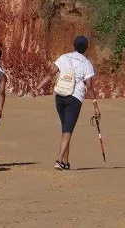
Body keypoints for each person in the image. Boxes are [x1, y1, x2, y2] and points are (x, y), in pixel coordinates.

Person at [37, 35, 100, 170]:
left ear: (74, 45)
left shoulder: (64, 57)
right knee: (68, 130)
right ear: (86, 48)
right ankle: (59, 160)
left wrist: (37, 88)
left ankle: (65, 162)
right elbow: (89, 86)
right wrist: (95, 106)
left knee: (66, 129)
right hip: (74, 98)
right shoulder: (87, 64)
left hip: (60, 96)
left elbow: (51, 73)